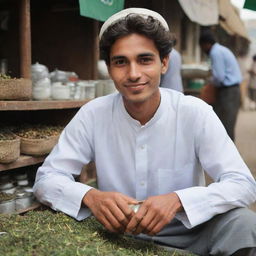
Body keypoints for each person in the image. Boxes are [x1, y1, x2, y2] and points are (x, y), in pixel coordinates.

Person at [33, 8, 256, 256]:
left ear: (164, 63)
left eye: (144, 59)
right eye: (120, 62)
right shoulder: (92, 114)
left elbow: (242, 184)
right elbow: (46, 179)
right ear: (109, 68)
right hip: (114, 231)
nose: (133, 74)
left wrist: (178, 200)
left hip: (190, 230)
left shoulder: (195, 113)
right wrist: (91, 197)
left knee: (244, 224)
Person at [199, 32, 242, 141]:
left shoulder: (215, 52)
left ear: (206, 44)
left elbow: (219, 77)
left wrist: (209, 83)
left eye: (202, 47)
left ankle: (228, 155)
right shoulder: (221, 49)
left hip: (228, 91)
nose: (203, 50)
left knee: (225, 125)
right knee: (226, 124)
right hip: (232, 90)